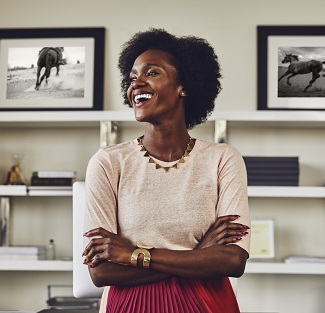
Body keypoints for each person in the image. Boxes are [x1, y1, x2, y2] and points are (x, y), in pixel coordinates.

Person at [82, 28, 250, 313]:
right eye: (133, 77)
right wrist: (200, 254)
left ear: (183, 85)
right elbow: (101, 273)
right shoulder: (108, 162)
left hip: (207, 303)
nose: (137, 84)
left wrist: (132, 254)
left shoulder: (223, 159)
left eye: (152, 73)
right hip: (129, 305)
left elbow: (233, 261)